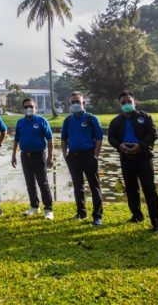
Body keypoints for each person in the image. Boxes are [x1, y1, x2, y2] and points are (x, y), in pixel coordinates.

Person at [108, 91, 158, 234]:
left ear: (135, 102)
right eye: (123, 103)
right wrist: (119, 146)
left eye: (129, 101)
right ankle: (137, 215)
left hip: (143, 157)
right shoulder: (116, 121)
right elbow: (111, 138)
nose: (126, 105)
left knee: (149, 189)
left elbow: (153, 134)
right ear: (119, 104)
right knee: (131, 189)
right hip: (126, 158)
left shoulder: (145, 117)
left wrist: (140, 145)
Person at [61, 91, 103, 226]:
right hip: (73, 157)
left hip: (89, 156)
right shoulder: (67, 120)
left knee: (94, 186)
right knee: (78, 186)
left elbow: (99, 139)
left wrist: (96, 156)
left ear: (83, 103)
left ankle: (97, 216)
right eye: (72, 102)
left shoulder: (91, 119)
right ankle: (81, 212)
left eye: (77, 102)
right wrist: (65, 155)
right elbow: (63, 139)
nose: (75, 104)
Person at [11, 98, 54, 220]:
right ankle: (34, 206)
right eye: (26, 107)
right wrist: (13, 154)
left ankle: (48, 209)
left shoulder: (41, 121)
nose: (28, 108)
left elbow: (50, 139)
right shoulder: (20, 122)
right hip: (25, 155)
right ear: (23, 109)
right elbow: (16, 140)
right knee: (30, 183)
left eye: (31, 106)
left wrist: (50, 156)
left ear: (35, 108)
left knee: (43, 183)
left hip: (39, 155)